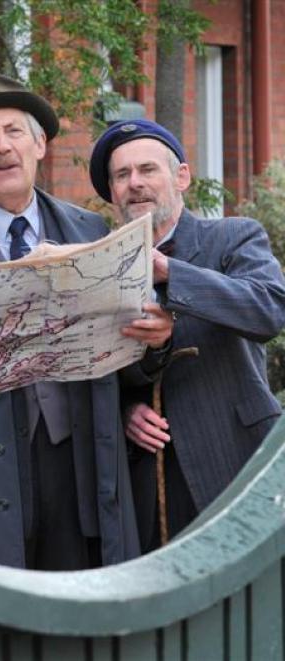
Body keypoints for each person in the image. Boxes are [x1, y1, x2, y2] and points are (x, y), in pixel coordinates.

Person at [0, 72, 173, 570]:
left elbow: (123, 353)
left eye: (14, 132)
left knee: (78, 624)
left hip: (79, 462)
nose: (2, 147)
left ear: (40, 144)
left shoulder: (90, 228)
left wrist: (151, 341)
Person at [89, 118, 285, 552]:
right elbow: (93, 363)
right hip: (145, 478)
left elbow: (269, 309)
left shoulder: (234, 237)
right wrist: (125, 410)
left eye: (147, 170)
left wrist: (170, 272)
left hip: (234, 458)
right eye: (122, 175)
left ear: (181, 177)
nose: (134, 183)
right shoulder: (99, 263)